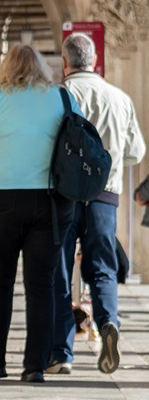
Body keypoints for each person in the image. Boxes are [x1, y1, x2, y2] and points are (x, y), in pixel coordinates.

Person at [0, 44, 80, 383]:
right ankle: (35, 366)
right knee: (41, 284)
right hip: (51, 200)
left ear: (6, 68)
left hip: (0, 198)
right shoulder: (63, 97)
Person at [50, 33, 145, 375]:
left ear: (65, 62)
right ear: (94, 60)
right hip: (105, 195)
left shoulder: (58, 95)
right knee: (103, 265)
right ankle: (108, 322)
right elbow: (136, 152)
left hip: (64, 194)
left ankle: (61, 352)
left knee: (60, 267)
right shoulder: (119, 97)